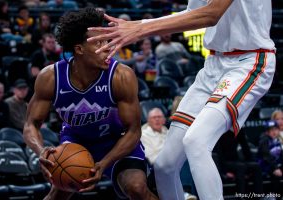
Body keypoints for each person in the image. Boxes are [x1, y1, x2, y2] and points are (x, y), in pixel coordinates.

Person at [87, 0, 276, 199]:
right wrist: (139, 23)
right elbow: (192, 13)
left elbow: (211, 15)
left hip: (249, 61)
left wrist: (141, 28)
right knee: (164, 166)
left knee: (196, 142)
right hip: (213, 64)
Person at [23, 8, 158, 200]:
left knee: (137, 188)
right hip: (76, 143)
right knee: (56, 195)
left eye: (107, 40)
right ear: (79, 49)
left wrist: (103, 163)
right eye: (100, 43)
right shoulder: (50, 77)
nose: (108, 47)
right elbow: (31, 125)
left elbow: (134, 131)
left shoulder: (121, 76)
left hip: (116, 142)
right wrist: (41, 150)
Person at [215, 130, 263, 194]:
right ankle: (241, 196)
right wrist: (224, 172)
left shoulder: (237, 129)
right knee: (241, 167)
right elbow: (218, 155)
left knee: (256, 166)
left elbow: (245, 147)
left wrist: (250, 163)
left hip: (237, 161)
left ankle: (259, 195)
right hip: (225, 163)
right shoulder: (219, 131)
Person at [257, 120, 283, 196]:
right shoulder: (264, 141)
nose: (274, 132)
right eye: (271, 130)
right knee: (276, 175)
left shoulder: (277, 140)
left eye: (275, 129)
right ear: (267, 132)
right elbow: (266, 156)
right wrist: (275, 168)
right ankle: (273, 195)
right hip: (265, 166)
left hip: (276, 164)